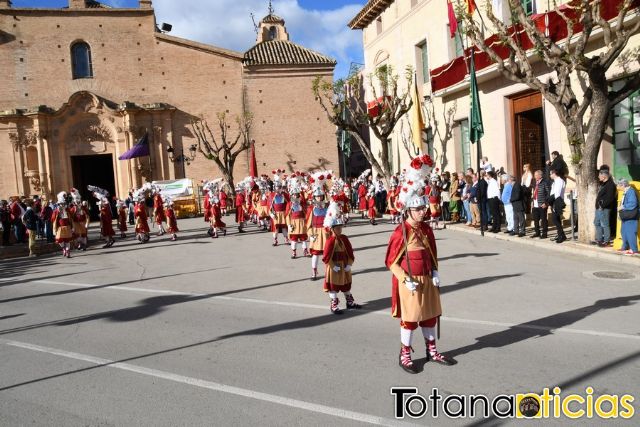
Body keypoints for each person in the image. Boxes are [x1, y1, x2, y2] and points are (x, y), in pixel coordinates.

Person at [386, 154, 454, 374]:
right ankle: (405, 353)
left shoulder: (425, 229)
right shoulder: (401, 231)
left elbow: (432, 253)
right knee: (411, 320)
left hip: (427, 279)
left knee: (429, 316)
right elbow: (391, 262)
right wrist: (405, 281)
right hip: (410, 283)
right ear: (409, 210)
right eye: (419, 209)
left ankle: (431, 350)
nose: (423, 212)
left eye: (423, 208)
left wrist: (434, 270)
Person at [323, 200, 359, 314]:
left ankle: (349, 302)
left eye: (341, 227)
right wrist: (333, 266)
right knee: (333, 286)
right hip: (334, 267)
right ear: (332, 229)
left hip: (344, 265)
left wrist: (349, 263)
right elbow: (326, 256)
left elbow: (350, 252)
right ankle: (334, 305)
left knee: (346, 284)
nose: (340, 229)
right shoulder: (330, 240)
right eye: (337, 228)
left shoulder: (344, 238)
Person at [306, 174, 330, 281]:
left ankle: (328, 272)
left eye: (321, 196)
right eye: (317, 196)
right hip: (315, 234)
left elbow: (331, 221)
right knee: (315, 254)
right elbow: (308, 223)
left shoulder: (328, 207)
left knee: (327, 254)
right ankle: (314, 272)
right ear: (314, 197)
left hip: (326, 233)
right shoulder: (311, 208)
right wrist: (310, 234)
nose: (319, 198)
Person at [593, 169, 616, 247]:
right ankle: (599, 239)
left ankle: (607, 241)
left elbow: (610, 198)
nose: (598, 176)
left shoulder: (611, 185)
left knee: (605, 224)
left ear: (604, 176)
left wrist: (602, 206)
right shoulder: (603, 184)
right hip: (599, 208)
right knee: (597, 223)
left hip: (604, 208)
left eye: (599, 175)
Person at [286, 180, 308, 259]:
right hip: (293, 223)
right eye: (294, 195)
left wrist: (306, 222)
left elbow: (306, 213)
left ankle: (305, 250)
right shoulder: (289, 204)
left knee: (303, 238)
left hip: (301, 222)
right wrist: (289, 225)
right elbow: (287, 215)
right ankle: (294, 252)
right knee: (294, 239)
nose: (295, 196)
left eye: (297, 195)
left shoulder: (302, 203)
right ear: (292, 195)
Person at [616, 179, 639, 255]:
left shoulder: (631, 192)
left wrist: (622, 207)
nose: (618, 187)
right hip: (626, 216)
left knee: (631, 233)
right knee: (624, 232)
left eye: (619, 185)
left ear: (623, 185)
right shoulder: (626, 192)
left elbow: (633, 204)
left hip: (631, 216)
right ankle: (625, 247)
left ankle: (634, 249)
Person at [268, 173, 290, 246]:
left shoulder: (284, 194)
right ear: (275, 187)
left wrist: (287, 213)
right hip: (275, 214)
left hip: (283, 213)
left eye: (280, 187)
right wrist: (271, 214)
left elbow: (289, 204)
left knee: (284, 227)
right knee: (276, 228)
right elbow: (269, 206)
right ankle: (275, 240)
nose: (278, 188)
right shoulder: (272, 195)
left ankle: (286, 239)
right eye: (277, 187)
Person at [52, 191, 74, 258]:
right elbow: (52, 219)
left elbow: (71, 217)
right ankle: (63, 248)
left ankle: (68, 251)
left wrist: (72, 227)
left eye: (63, 204)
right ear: (59, 204)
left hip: (67, 227)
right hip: (60, 228)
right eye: (61, 204)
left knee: (67, 240)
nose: (62, 205)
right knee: (59, 240)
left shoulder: (67, 210)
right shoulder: (56, 211)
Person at [530, 170, 550, 239]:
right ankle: (537, 232)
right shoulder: (535, 183)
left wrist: (546, 203)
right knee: (536, 219)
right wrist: (532, 201)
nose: (534, 177)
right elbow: (534, 192)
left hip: (542, 204)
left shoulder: (545, 182)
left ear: (540, 175)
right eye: (534, 175)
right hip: (535, 204)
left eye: (536, 175)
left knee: (543, 219)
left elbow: (548, 193)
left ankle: (544, 233)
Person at [549, 169, 566, 243]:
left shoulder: (559, 181)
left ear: (554, 173)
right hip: (554, 201)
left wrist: (549, 199)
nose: (550, 175)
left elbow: (557, 194)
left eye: (550, 174)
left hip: (557, 201)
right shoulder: (555, 182)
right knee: (556, 219)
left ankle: (561, 236)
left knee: (555, 219)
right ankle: (562, 235)